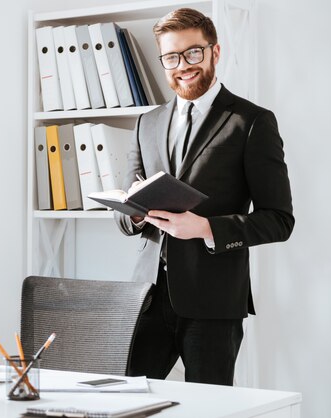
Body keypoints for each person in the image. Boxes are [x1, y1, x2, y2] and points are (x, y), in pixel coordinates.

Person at [114, 8, 294, 386]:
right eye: (172, 57)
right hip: (146, 297)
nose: (183, 65)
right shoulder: (147, 122)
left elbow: (279, 219)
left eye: (193, 53)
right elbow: (124, 213)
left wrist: (205, 228)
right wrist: (133, 214)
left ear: (215, 51)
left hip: (213, 303)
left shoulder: (252, 122)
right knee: (126, 401)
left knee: (210, 408)